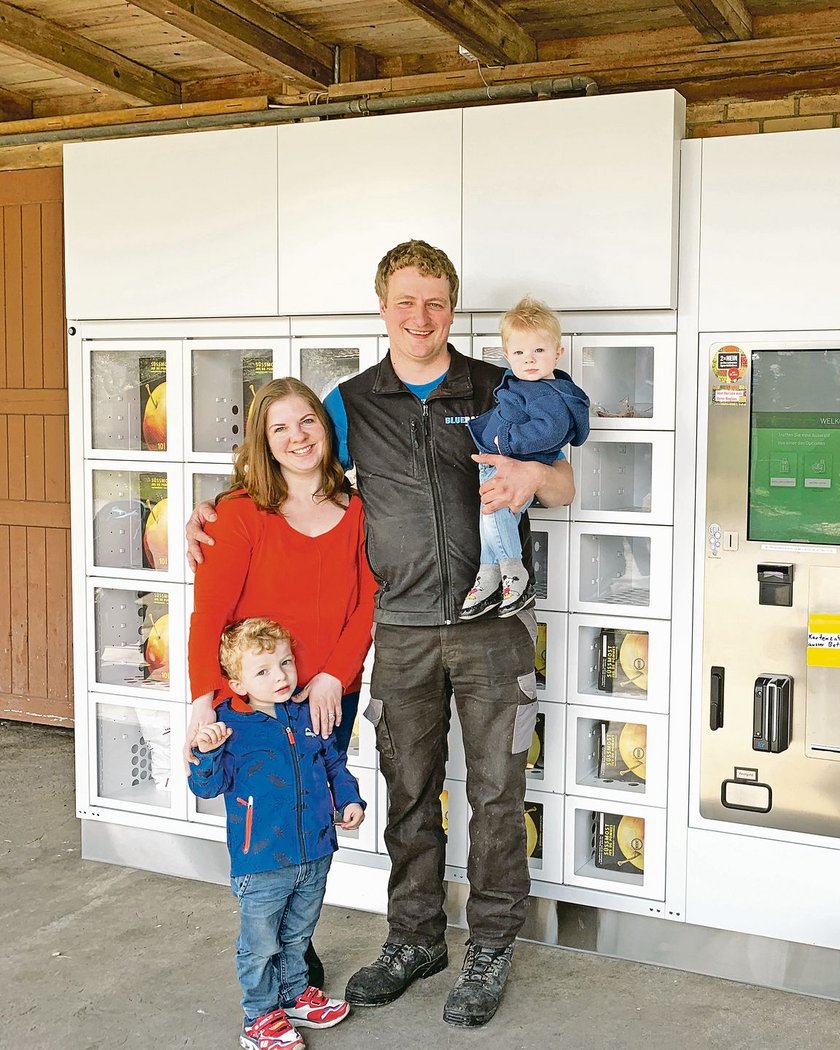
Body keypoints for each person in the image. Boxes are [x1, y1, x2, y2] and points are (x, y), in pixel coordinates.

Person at [187, 240, 574, 1030]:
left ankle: (491, 943)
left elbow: (564, 478)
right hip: (398, 630)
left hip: (494, 626)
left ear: (452, 309)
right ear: (383, 308)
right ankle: (415, 938)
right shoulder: (354, 400)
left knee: (500, 794)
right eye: (406, 301)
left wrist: (536, 476)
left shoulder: (499, 384)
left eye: (435, 301)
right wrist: (214, 509)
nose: (420, 316)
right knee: (409, 792)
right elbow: (292, 458)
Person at [186, 375, 379, 989]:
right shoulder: (240, 515)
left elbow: (367, 603)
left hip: (325, 698)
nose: (297, 437)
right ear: (264, 443)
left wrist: (332, 677)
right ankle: (269, 972)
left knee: (314, 810)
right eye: (280, 428)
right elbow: (209, 617)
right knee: (265, 829)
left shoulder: (358, 514)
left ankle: (298, 950)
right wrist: (202, 703)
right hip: (252, 707)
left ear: (328, 430)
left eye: (308, 422)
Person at [188, 617, 366, 1050]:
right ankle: (259, 1016)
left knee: (298, 934)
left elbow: (332, 764)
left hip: (315, 851)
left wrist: (349, 800)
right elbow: (206, 786)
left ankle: (293, 996)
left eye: (285, 663)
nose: (281, 676)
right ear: (236, 682)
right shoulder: (229, 726)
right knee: (261, 943)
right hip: (263, 860)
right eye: (263, 671)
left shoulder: (305, 714)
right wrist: (206, 752)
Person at [459, 296, 589, 619]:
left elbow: (548, 432)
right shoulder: (519, 384)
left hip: (508, 460)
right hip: (496, 459)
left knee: (494, 513)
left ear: (558, 353)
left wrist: (506, 441)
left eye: (539, 351)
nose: (529, 360)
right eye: (519, 353)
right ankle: (489, 574)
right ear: (507, 355)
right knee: (488, 515)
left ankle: (514, 572)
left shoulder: (549, 394)